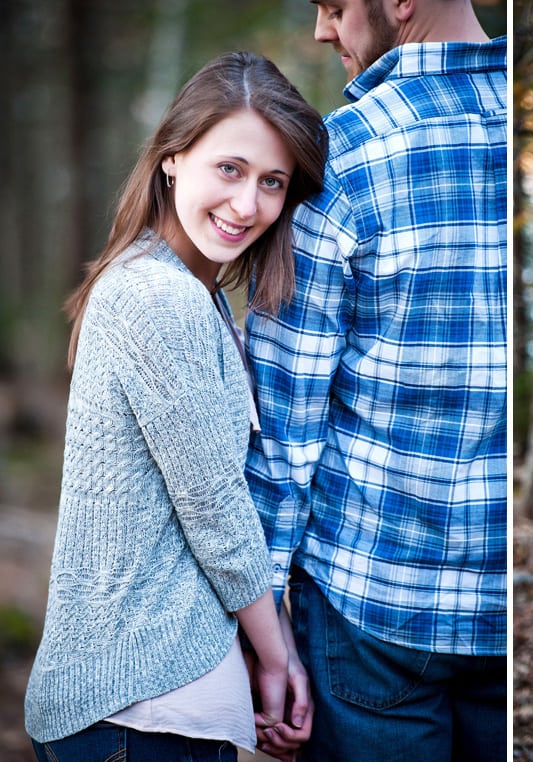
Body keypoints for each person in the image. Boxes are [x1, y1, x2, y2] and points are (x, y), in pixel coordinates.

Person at [23, 51, 327, 762]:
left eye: (273, 182)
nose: (248, 205)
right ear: (172, 158)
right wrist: (277, 655)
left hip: (150, 704)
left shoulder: (189, 293)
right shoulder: (158, 297)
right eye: (229, 168)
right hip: (141, 713)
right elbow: (214, 504)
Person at [242, 1, 507, 759]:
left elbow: (281, 433)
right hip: (498, 618)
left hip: (369, 616)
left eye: (334, 7)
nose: (324, 31)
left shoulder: (340, 161)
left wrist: (264, 640)